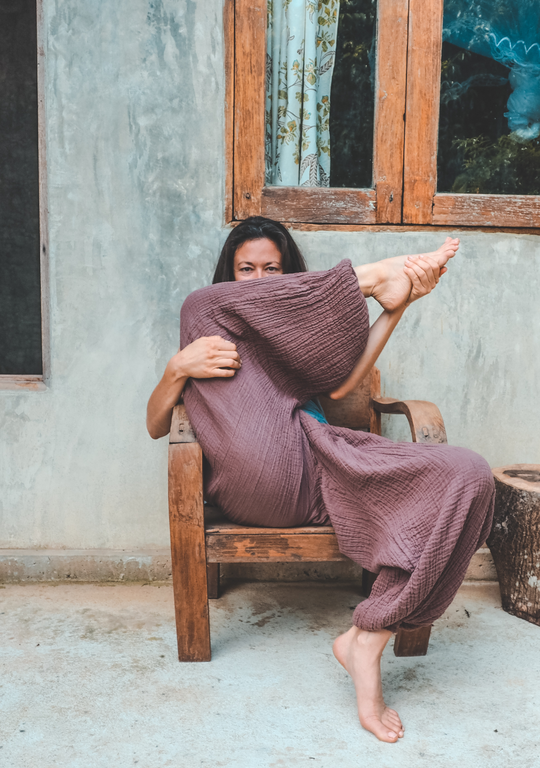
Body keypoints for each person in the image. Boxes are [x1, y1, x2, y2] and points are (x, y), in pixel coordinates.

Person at [147, 217, 494, 744]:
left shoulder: (299, 346)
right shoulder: (210, 325)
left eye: (272, 270)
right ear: (230, 272)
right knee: (201, 302)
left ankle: (365, 639)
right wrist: (177, 369)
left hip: (324, 464)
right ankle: (374, 273)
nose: (260, 280)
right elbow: (155, 426)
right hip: (257, 480)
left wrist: (394, 306)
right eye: (246, 270)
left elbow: (342, 386)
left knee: (470, 477)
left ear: (292, 280)